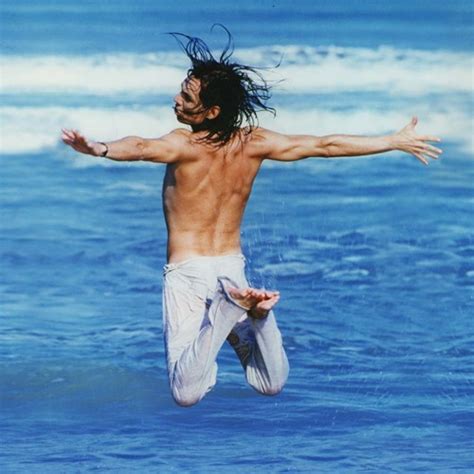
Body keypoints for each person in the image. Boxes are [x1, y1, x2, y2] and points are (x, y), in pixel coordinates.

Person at [61, 30, 442, 407]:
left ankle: (229, 307)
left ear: (212, 111)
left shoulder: (183, 144)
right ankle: (259, 315)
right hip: (232, 270)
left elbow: (142, 147)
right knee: (269, 383)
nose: (176, 99)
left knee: (185, 393)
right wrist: (390, 141)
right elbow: (324, 145)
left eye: (187, 97)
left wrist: (100, 148)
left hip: (188, 275)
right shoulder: (254, 143)